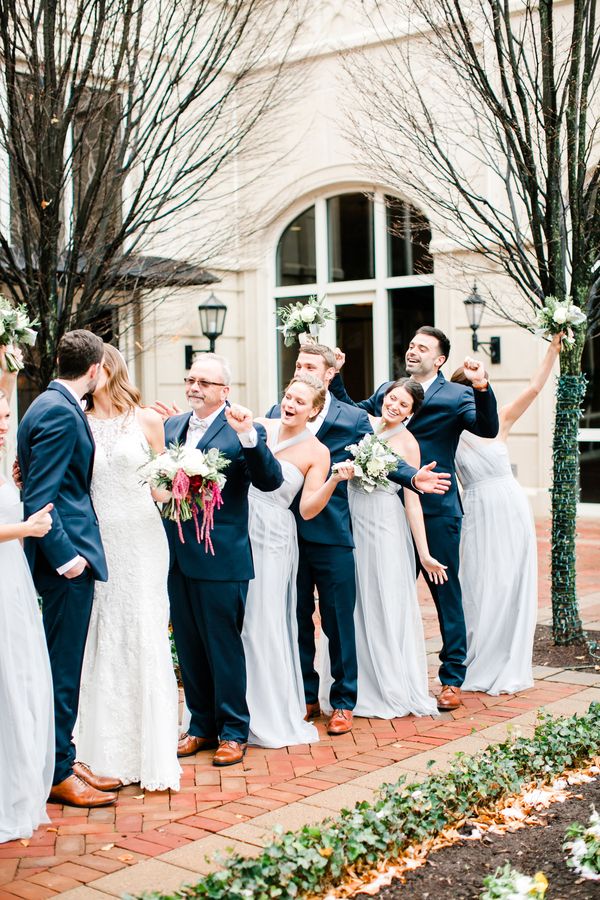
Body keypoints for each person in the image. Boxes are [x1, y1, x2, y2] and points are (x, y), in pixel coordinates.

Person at [267, 343, 452, 735]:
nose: (303, 372)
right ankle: (304, 695)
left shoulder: (351, 418)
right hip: (285, 535)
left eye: (311, 367)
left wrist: (412, 478)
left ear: (329, 373)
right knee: (296, 618)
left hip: (333, 533)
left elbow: (381, 456)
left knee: (337, 620)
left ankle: (344, 701)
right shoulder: (276, 413)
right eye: (299, 365)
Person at [329, 327, 499, 711]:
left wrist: (483, 386)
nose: (412, 350)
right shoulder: (390, 389)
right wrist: (336, 376)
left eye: (422, 348)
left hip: (436, 509)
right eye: (410, 344)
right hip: (384, 512)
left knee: (445, 592)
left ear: (439, 359)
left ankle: (452, 677)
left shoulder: (457, 395)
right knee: (385, 595)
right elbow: (356, 416)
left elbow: (487, 428)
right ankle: (387, 675)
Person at [17, 330, 120, 807]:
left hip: (67, 555)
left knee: (63, 664)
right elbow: (41, 496)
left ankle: (64, 755)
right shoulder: (60, 412)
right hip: (66, 560)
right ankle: (58, 772)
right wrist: (67, 558)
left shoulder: (45, 403)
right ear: (96, 370)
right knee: (62, 669)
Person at [166, 354, 283, 768]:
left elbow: (270, 480)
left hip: (222, 555)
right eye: (190, 379)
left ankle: (233, 731)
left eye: (204, 382)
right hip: (177, 555)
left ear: (224, 391)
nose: (194, 387)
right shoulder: (173, 427)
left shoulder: (240, 430)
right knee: (189, 643)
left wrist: (250, 436)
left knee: (223, 646)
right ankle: (199, 726)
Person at [75, 345, 181, 791]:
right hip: (99, 540)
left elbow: (164, 489)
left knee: (143, 631)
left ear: (106, 370)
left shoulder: (148, 420)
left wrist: (183, 479)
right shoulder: (76, 419)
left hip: (142, 540)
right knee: (104, 635)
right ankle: (97, 752)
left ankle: (150, 751)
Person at [242, 374, 354, 748]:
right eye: (288, 397)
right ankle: (233, 706)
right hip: (237, 530)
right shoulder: (259, 427)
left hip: (274, 537)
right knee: (235, 618)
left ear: (315, 409)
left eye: (299, 401)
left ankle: (267, 708)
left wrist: (334, 481)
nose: (290, 404)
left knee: (265, 619)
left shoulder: (317, 452)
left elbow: (306, 509)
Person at [451, 333, 562, 694]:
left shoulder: (498, 420)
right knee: (480, 584)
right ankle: (477, 656)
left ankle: (507, 659)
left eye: (474, 390)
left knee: (510, 581)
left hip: (510, 507)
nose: (469, 398)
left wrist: (551, 352)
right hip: (477, 512)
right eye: (463, 391)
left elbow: (532, 389)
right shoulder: (448, 434)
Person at [0, 352, 55, 841]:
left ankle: (14, 784)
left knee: (18, 680)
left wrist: (10, 361)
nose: (4, 424)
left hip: (11, 583)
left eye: (4, 417)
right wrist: (29, 526)